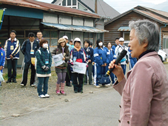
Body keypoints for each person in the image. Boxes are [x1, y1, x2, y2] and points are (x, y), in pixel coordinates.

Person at [109, 19, 168, 126]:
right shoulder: (156, 61)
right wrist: (120, 76)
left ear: (144, 42)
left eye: (131, 39)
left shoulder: (144, 65)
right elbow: (134, 98)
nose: (129, 44)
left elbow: (139, 114)